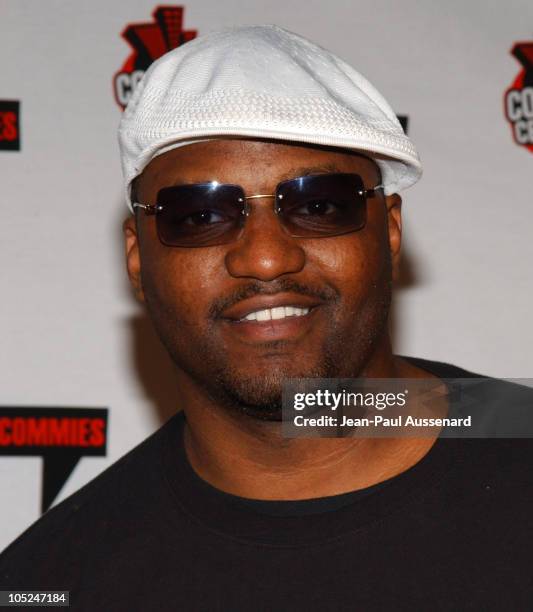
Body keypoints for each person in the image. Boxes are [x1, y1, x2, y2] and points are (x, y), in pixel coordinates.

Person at [1, 24, 533, 612]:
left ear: (389, 231)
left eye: (319, 204)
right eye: (200, 216)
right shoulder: (51, 581)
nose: (265, 256)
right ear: (137, 260)